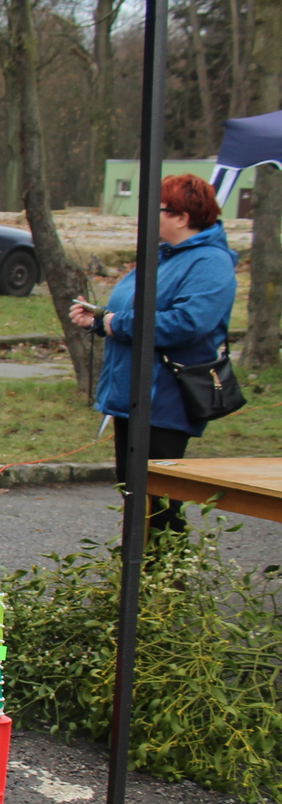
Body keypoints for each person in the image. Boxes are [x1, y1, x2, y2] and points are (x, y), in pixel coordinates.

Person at [70, 172, 237, 538]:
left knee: (158, 502)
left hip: (167, 398)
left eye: (155, 209)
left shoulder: (210, 263)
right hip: (131, 394)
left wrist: (117, 324)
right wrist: (99, 318)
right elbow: (135, 312)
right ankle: (141, 582)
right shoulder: (161, 256)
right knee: (133, 493)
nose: (145, 217)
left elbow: (187, 323)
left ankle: (165, 585)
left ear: (181, 216)